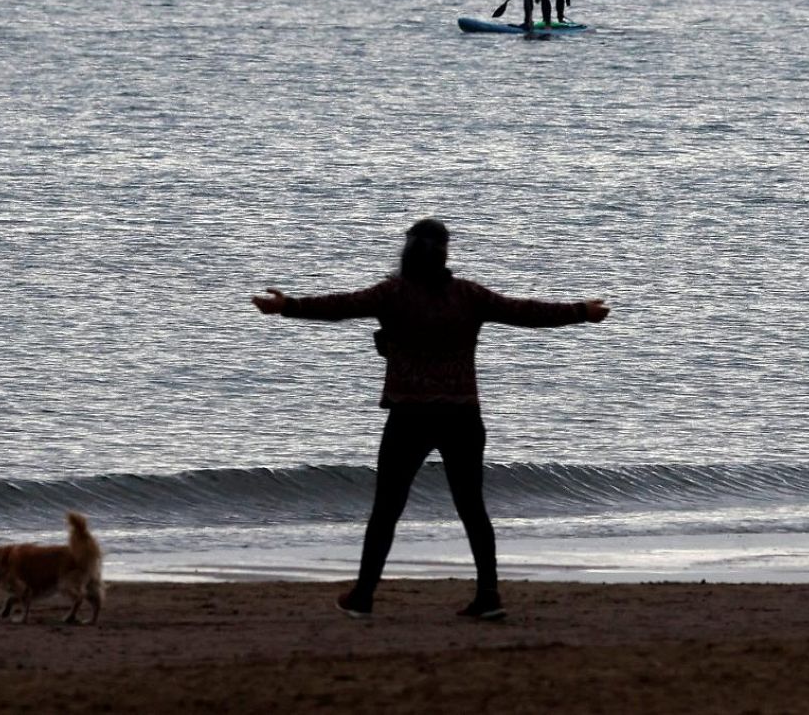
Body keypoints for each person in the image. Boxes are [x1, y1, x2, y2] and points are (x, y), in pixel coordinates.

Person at [251, 218, 610, 621]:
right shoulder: (467, 295)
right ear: (445, 252)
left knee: (387, 507)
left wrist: (287, 307)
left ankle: (364, 595)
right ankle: (488, 595)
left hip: (410, 415)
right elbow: (525, 312)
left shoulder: (394, 294)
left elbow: (341, 306)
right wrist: (582, 311)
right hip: (462, 415)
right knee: (472, 507)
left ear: (407, 249)